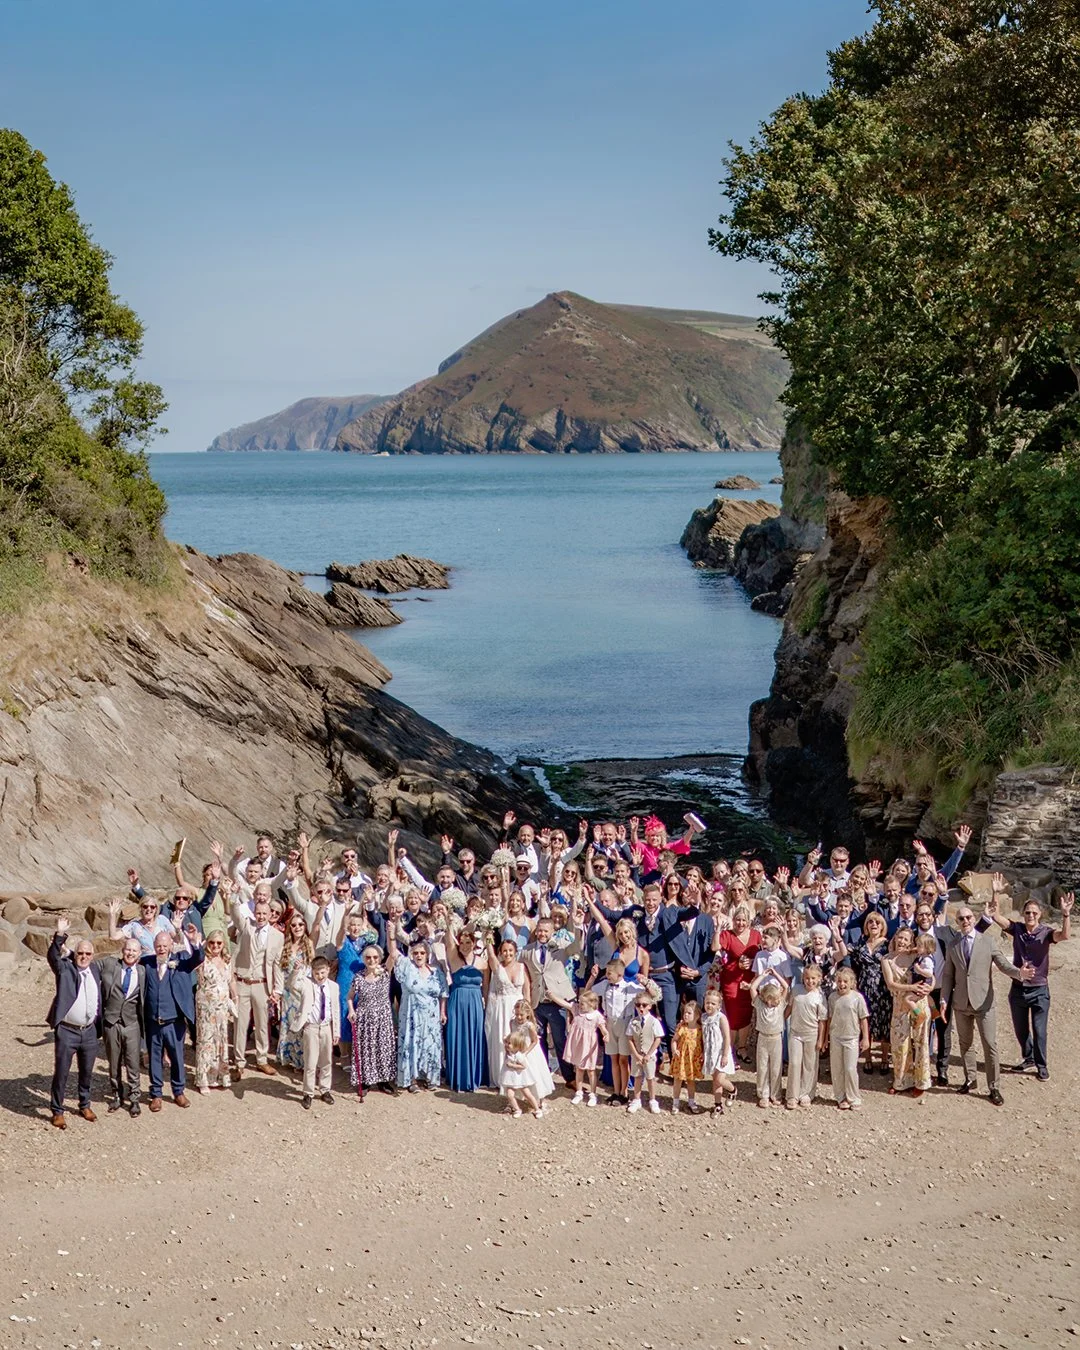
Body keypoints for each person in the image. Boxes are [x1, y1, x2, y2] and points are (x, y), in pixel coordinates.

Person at [940, 902, 1035, 1106]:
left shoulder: (988, 941)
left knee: (990, 1045)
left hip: (984, 1002)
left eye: (968, 918)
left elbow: (1003, 965)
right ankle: (970, 1079)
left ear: (974, 920)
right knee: (965, 1044)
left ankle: (994, 1087)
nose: (965, 921)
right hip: (961, 1003)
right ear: (957, 922)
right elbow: (948, 974)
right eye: (961, 919)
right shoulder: (953, 944)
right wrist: (944, 999)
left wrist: (1019, 973)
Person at [984, 879, 1072, 1081]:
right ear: (1023, 915)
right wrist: (995, 893)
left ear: (1040, 915)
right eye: (1027, 913)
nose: (1030, 915)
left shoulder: (1047, 933)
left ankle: (1041, 1065)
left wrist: (1066, 914)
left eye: (1034, 912)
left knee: (1040, 1031)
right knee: (1021, 1030)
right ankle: (1029, 1058)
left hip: (1040, 990)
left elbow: (1065, 935)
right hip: (1018, 989)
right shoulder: (1017, 929)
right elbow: (996, 916)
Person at [46, 917, 103, 1129]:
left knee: (86, 1071)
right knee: (61, 1071)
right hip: (67, 1031)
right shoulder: (65, 970)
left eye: (88, 953)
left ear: (93, 955)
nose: (84, 957)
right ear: (74, 955)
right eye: (80, 953)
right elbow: (53, 956)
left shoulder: (95, 970)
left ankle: (84, 1104)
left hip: (89, 1031)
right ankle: (57, 1110)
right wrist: (59, 936)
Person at [141, 925, 204, 1110]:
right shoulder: (147, 963)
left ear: (170, 945)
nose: (161, 948)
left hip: (174, 1022)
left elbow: (198, 958)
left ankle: (178, 1091)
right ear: (154, 946)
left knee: (177, 1057)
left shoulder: (181, 961)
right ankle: (156, 1094)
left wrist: (195, 943)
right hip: (153, 1021)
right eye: (158, 945)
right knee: (154, 1058)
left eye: (164, 945)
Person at [386, 920, 447, 1091]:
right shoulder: (407, 966)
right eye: (416, 953)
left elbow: (443, 993)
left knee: (430, 1044)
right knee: (412, 1044)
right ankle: (411, 1079)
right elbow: (393, 952)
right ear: (412, 954)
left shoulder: (436, 972)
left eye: (422, 953)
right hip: (411, 1014)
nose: (419, 956)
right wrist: (391, 935)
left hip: (431, 1015)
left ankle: (429, 1077)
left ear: (427, 955)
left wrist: (442, 1012)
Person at [521, 917, 581, 1089]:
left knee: (560, 1039)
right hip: (537, 1001)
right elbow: (521, 970)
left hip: (557, 1001)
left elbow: (576, 946)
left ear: (552, 932)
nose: (542, 934)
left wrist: (576, 926)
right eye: (539, 930)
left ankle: (569, 1077)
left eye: (546, 931)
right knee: (538, 1040)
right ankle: (542, 1074)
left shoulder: (560, 948)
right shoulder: (527, 951)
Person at [230, 893, 285, 1076]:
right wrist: (232, 895)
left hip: (262, 984)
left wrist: (277, 989)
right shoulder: (246, 927)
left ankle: (262, 1059)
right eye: (258, 913)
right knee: (240, 1023)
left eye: (264, 914)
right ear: (254, 913)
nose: (260, 916)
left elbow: (277, 964)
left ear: (270, 915)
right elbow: (235, 913)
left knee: (262, 1024)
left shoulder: (278, 936)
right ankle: (239, 1061)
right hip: (243, 982)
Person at [881, 928, 932, 1098]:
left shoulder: (916, 956)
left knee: (921, 1041)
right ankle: (902, 1080)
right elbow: (890, 984)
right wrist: (911, 987)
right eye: (899, 938)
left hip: (918, 1002)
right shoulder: (887, 960)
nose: (902, 942)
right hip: (899, 1004)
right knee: (899, 1043)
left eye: (905, 939)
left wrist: (930, 987)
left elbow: (932, 974)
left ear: (911, 942)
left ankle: (921, 1081)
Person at [706, 903, 761, 1062]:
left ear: (748, 922)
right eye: (737, 920)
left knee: (746, 1013)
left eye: (744, 920)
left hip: (749, 979)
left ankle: (742, 1047)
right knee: (732, 1014)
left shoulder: (756, 935)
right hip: (731, 979)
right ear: (733, 920)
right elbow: (715, 947)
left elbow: (762, 953)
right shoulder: (728, 935)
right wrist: (717, 931)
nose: (740, 923)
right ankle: (728, 1049)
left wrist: (752, 962)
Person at [98, 936, 146, 1116]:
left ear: (139, 954)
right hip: (111, 1023)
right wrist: (68, 953)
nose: (130, 953)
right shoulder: (111, 964)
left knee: (133, 1063)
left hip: (132, 1023)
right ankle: (116, 1096)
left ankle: (134, 1098)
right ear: (122, 950)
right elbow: (88, 963)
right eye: (128, 949)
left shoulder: (142, 971)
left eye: (134, 950)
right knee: (113, 1062)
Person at [346, 943, 398, 1099]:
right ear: (363, 959)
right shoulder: (359, 977)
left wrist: (391, 933)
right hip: (365, 1019)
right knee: (366, 1050)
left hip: (383, 1018)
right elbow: (349, 997)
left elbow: (393, 954)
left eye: (375, 957)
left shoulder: (385, 973)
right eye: (368, 957)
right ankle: (366, 1081)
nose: (371, 960)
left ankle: (383, 1081)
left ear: (380, 958)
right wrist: (351, 1010)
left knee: (383, 1048)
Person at [588, 956, 641, 1105]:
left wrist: (645, 981)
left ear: (619, 974)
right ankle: (616, 1091)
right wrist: (592, 977)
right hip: (610, 1023)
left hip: (625, 1023)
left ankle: (624, 1092)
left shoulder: (630, 987)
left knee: (623, 1060)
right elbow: (588, 992)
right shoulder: (605, 985)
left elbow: (653, 995)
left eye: (610, 973)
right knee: (613, 1059)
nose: (607, 975)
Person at [292, 955, 340, 1109]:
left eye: (323, 973)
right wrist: (296, 971)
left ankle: (325, 1089)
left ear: (328, 970)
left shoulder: (333, 986)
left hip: (326, 1026)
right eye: (317, 973)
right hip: (311, 1027)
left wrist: (336, 1031)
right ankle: (308, 1092)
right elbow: (293, 985)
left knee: (326, 1061)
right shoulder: (307, 983)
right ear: (312, 972)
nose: (320, 976)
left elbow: (336, 1010)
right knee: (311, 1062)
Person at [445, 926, 489, 1092]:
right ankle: (459, 1077)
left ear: (474, 943)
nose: (464, 945)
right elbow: (449, 943)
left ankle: (475, 1075)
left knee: (475, 1034)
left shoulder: (482, 962)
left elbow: (485, 986)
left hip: (475, 1001)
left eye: (468, 942)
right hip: (457, 1001)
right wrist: (449, 923)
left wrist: (486, 1004)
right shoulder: (454, 958)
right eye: (461, 942)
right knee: (458, 1035)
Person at [847, 910, 891, 1075]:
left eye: (877, 922)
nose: (874, 925)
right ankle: (867, 1058)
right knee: (866, 1023)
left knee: (884, 1024)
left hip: (882, 988)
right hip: (865, 988)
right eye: (871, 922)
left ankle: (885, 1059)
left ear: (882, 926)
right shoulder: (860, 944)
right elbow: (852, 962)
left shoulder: (888, 944)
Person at [484, 937, 530, 1090]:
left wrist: (528, 1011)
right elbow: (490, 956)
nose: (507, 953)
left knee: (519, 1039)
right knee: (502, 1040)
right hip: (502, 1008)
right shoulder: (498, 967)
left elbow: (527, 990)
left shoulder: (522, 967)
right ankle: (502, 1078)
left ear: (515, 952)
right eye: (504, 951)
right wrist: (488, 933)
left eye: (510, 950)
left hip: (518, 1008)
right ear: (500, 953)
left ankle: (520, 1075)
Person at [194, 929, 236, 1092]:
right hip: (206, 1006)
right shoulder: (202, 959)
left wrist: (235, 998)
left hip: (223, 1006)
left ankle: (219, 1076)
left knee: (221, 1040)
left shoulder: (227, 959)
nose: (215, 946)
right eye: (212, 942)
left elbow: (231, 980)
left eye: (219, 943)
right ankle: (203, 1079)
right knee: (206, 1041)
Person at [278, 910, 317, 1074]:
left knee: (301, 1023)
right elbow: (281, 969)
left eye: (300, 924)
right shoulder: (285, 946)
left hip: (303, 988)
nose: (297, 927)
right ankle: (289, 1058)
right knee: (289, 1023)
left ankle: (302, 1061)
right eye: (294, 925)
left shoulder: (308, 944)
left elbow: (312, 968)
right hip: (288, 991)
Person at [825, 966, 869, 1110]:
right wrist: (826, 1038)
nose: (842, 984)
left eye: (845, 981)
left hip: (851, 1038)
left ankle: (853, 1096)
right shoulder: (832, 997)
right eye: (839, 981)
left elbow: (863, 1019)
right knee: (837, 1068)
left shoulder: (857, 998)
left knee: (850, 1068)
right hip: (836, 1037)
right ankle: (840, 1096)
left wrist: (866, 1038)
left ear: (852, 982)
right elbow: (829, 1019)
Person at [786, 962, 827, 1108]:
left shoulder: (820, 996)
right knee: (795, 1063)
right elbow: (789, 1008)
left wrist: (821, 1040)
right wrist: (780, 1022)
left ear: (819, 979)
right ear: (803, 978)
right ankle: (792, 1094)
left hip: (812, 1034)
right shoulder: (796, 990)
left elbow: (822, 1020)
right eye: (807, 978)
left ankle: (806, 1093)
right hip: (795, 1033)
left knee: (810, 1065)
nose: (810, 981)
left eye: (813, 978)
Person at [749, 970, 788, 1108]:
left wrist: (776, 974)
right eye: (774, 999)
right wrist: (763, 975)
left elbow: (786, 987)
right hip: (763, 1038)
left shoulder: (781, 1004)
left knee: (776, 1067)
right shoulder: (759, 1004)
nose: (777, 1001)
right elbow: (753, 988)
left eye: (778, 998)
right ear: (767, 999)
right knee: (763, 1066)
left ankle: (776, 1094)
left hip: (776, 1038)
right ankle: (763, 1094)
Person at [564, 989, 607, 1106]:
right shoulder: (577, 1011)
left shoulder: (597, 1016)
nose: (580, 1005)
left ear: (592, 1004)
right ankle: (579, 1092)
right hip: (578, 1045)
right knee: (579, 1069)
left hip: (589, 1047)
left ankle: (593, 1094)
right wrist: (552, 996)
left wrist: (606, 1035)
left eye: (582, 1003)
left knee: (591, 1070)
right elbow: (564, 1004)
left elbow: (603, 1028)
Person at [625, 987, 665, 1114]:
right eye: (638, 1005)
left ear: (650, 1006)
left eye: (644, 1005)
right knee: (637, 1077)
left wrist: (649, 1054)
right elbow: (630, 1039)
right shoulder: (633, 1021)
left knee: (650, 1077)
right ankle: (637, 1099)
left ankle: (653, 1100)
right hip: (637, 1055)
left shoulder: (654, 1022)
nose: (641, 1007)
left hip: (649, 1055)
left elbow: (657, 1039)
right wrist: (636, 1054)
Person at [701, 989, 736, 1115]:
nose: (709, 1005)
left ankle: (732, 1090)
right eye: (707, 1003)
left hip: (720, 1053)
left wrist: (725, 1054)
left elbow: (727, 1037)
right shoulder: (704, 1017)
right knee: (715, 1080)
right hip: (710, 1053)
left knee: (720, 1079)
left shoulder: (721, 1018)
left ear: (719, 1006)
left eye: (713, 1003)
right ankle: (718, 1104)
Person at [669, 998, 704, 1114]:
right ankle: (675, 1102)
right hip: (681, 1058)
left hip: (693, 1059)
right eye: (685, 1012)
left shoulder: (700, 1029)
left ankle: (691, 1101)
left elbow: (702, 1043)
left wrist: (703, 1053)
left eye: (689, 1013)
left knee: (691, 1081)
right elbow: (674, 1040)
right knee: (677, 1080)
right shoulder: (681, 1027)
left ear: (697, 1015)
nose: (686, 1015)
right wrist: (674, 1050)